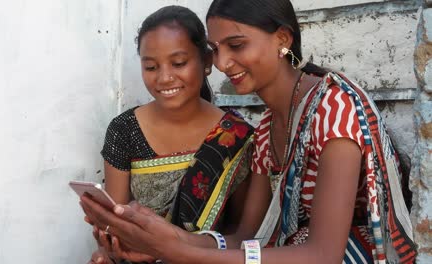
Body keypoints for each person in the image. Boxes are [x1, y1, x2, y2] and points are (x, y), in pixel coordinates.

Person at [81, 0, 417, 263]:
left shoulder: (333, 108)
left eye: (237, 45)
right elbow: (246, 235)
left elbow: (322, 255)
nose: (224, 62)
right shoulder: (269, 127)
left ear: (282, 39)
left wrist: (182, 253)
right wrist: (159, 238)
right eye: (216, 48)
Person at [87, 5, 255, 264]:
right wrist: (108, 248)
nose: (164, 78)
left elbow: (240, 235)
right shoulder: (125, 130)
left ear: (207, 61)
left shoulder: (237, 137)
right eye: (151, 67)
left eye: (178, 63)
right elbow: (115, 223)